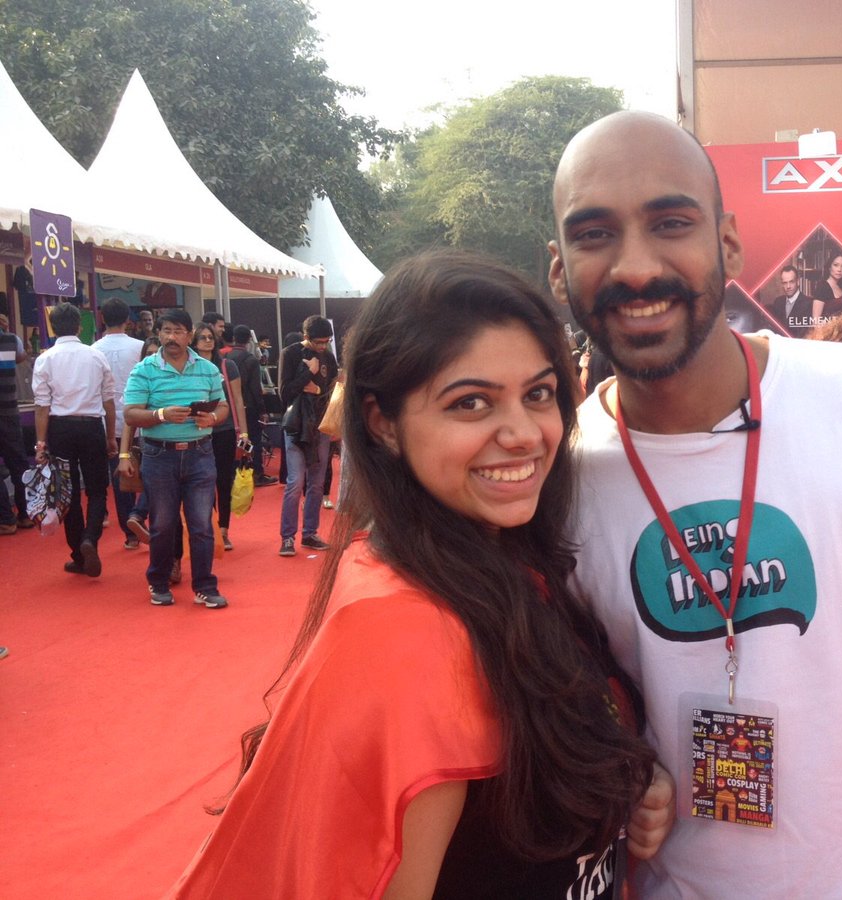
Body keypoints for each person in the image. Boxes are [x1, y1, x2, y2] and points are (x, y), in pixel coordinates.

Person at [547, 110, 842, 899]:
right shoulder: (556, 481)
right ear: (559, 270)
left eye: (671, 223)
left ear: (729, 243)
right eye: (595, 234)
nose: (635, 266)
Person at [169, 250, 672, 897]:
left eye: (538, 394)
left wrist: (625, 794)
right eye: (471, 403)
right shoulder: (407, 632)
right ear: (383, 423)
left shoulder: (508, 563)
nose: (523, 433)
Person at [123, 309, 229, 609]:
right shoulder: (144, 370)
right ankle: (158, 582)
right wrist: (161, 415)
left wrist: (212, 418)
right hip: (159, 455)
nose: (172, 337)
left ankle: (205, 586)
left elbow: (223, 407)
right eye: (166, 331)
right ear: (158, 334)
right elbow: (130, 414)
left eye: (178, 331)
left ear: (189, 335)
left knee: (201, 524)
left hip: (200, 453)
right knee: (163, 524)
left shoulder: (207, 369)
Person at [32, 302, 116, 577]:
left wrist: (41, 444)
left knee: (66, 492)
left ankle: (79, 555)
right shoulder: (95, 356)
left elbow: (42, 406)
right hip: (92, 427)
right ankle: (90, 538)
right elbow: (108, 401)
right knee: (97, 489)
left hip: (60, 429)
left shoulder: (45, 359)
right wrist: (111, 437)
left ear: (52, 327)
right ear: (80, 326)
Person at [277, 315, 338, 557]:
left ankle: (310, 533)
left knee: (317, 482)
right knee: (295, 482)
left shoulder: (329, 357)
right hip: (296, 424)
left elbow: (333, 390)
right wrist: (308, 372)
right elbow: (284, 392)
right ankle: (287, 537)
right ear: (306, 337)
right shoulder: (290, 353)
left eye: (326, 341)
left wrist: (318, 388)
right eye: (318, 342)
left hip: (321, 425)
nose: (322, 346)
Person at [92, 298, 145, 550]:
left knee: (120, 478)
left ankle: (130, 532)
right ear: (128, 320)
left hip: (107, 422)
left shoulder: (93, 349)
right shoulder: (140, 347)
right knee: (151, 474)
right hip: (141, 419)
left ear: (102, 318)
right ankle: (143, 518)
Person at [191, 323, 249, 552]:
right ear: (194, 341)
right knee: (203, 482)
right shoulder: (189, 367)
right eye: (202, 337)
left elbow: (238, 399)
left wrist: (244, 433)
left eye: (210, 337)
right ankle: (211, 529)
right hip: (198, 432)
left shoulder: (227, 365)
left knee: (224, 481)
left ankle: (223, 530)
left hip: (224, 431)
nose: (207, 341)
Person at [226, 325, 276, 486]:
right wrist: (263, 410)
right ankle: (256, 473)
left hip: (229, 407)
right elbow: (255, 388)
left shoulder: (226, 358)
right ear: (249, 339)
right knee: (254, 440)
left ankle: (237, 472)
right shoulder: (251, 360)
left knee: (234, 441)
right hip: (249, 406)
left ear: (234, 338)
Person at [0, 312, 32, 531]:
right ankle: (25, 514)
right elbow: (20, 357)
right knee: (19, 464)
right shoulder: (12, 340)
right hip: (10, 411)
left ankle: (5, 519)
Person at [769, 264, 815, 334]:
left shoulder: (808, 304)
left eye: (791, 282)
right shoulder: (778, 302)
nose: (788, 286)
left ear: (798, 282)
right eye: (785, 283)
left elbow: (805, 333)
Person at [813, 253, 842, 318]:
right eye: (836, 265)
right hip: (828, 325)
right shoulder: (822, 287)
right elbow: (816, 319)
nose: (839, 269)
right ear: (829, 267)